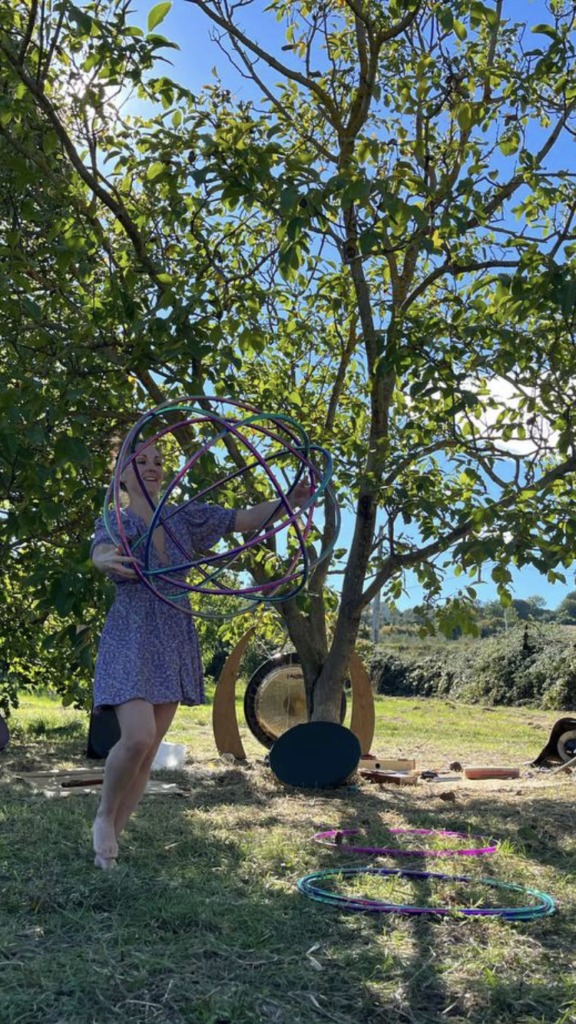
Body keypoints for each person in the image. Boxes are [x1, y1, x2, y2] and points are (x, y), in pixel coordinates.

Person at [90, 442, 309, 869]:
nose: (152, 467)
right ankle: (103, 816)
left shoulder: (184, 517)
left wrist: (290, 500)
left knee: (148, 751)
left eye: (158, 461)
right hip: (132, 636)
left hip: (173, 637)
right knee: (137, 737)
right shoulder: (117, 522)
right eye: (141, 461)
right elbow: (100, 551)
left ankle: (109, 846)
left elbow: (244, 519)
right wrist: (105, 559)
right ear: (121, 476)